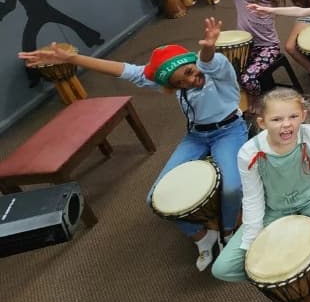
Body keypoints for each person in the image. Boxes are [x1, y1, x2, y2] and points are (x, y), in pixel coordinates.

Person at [18, 17, 247, 272]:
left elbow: (207, 62)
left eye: (190, 73)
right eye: (179, 83)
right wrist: (73, 59)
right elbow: (122, 70)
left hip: (228, 131)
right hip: (196, 136)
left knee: (231, 188)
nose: (191, 81)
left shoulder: (218, 73)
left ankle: (228, 230)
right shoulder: (172, 81)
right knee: (154, 199)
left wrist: (208, 48)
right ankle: (202, 235)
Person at [211, 88, 310, 283]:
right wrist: (253, 240)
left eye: (293, 116)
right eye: (276, 119)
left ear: (303, 115)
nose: (286, 124)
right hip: (275, 211)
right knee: (223, 268)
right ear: (262, 123)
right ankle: (286, 279)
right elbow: (253, 198)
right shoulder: (248, 152)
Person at [162, 0, 285, 108]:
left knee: (247, 79)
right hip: (246, 45)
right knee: (225, 72)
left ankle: (256, 100)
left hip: (268, 47)